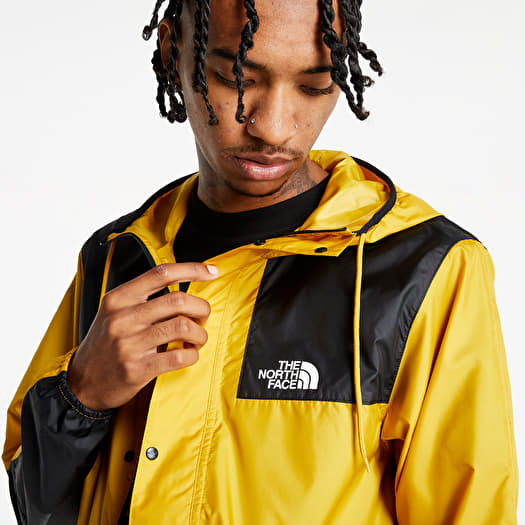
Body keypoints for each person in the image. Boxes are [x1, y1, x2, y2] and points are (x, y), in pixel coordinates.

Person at [3, 0, 518, 523]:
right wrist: (81, 398)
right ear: (172, 50)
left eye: (314, 86)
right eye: (238, 79)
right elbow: (34, 504)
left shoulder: (424, 270)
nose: (273, 129)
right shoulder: (119, 254)